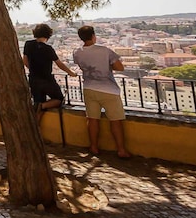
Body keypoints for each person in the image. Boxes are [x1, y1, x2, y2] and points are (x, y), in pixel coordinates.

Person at [73, 26, 132, 159]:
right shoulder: (105, 51)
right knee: (115, 121)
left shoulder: (76, 52)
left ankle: (93, 147)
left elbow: (80, 65)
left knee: (92, 120)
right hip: (108, 89)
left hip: (89, 88)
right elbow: (119, 67)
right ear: (94, 36)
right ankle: (121, 150)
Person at [23, 24, 77, 123]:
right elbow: (59, 64)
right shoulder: (48, 49)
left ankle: (36, 129)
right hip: (46, 79)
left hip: (33, 79)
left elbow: (25, 60)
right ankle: (42, 106)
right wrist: (71, 72)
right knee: (59, 99)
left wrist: (33, 69)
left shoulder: (28, 44)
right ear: (48, 35)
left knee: (38, 104)